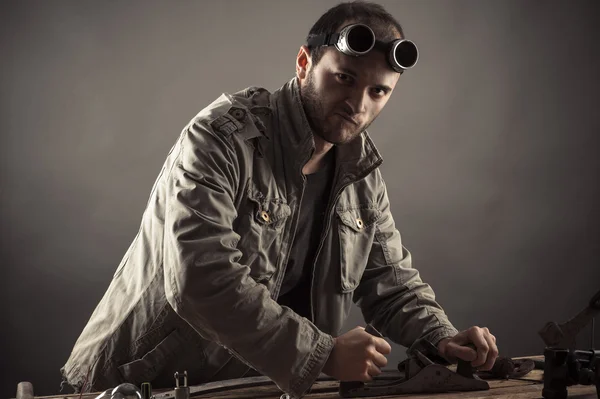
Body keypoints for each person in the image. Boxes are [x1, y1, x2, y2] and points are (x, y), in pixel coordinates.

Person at [61, 2, 499, 398]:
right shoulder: (219, 139)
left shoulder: (360, 175)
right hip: (133, 386)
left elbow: (390, 282)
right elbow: (200, 279)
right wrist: (322, 355)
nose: (357, 105)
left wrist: (443, 337)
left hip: (248, 387)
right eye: (345, 78)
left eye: (378, 91)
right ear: (304, 62)